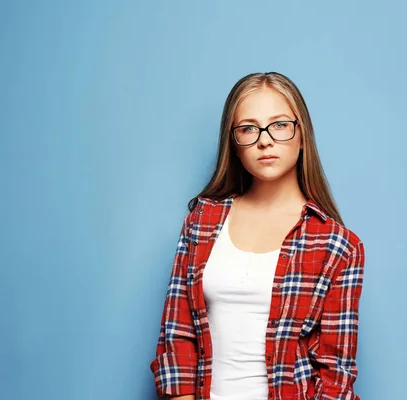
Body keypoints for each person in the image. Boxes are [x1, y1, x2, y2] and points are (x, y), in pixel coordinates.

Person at [149, 72, 365, 400]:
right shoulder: (201, 222)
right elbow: (177, 333)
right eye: (248, 128)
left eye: (279, 124)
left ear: (302, 134)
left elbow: (336, 372)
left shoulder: (337, 245)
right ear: (233, 144)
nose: (264, 140)